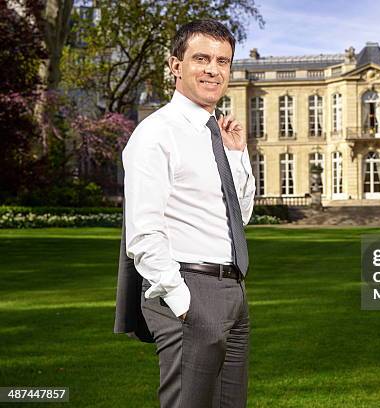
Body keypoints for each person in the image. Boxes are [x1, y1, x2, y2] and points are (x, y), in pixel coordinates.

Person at [115, 19, 255, 408]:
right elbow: (143, 232)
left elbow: (238, 217)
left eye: (223, 61)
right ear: (176, 65)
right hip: (189, 288)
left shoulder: (217, 133)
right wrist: (183, 301)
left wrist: (237, 155)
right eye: (202, 58)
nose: (214, 69)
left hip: (233, 291)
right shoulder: (156, 133)